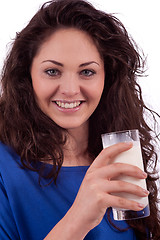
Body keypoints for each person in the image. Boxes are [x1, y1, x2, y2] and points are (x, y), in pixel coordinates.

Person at [0, 0, 159, 239]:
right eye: (52, 71)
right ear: (27, 74)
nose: (71, 90)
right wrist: (79, 218)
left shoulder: (120, 155)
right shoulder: (4, 167)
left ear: (108, 76)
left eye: (87, 72)